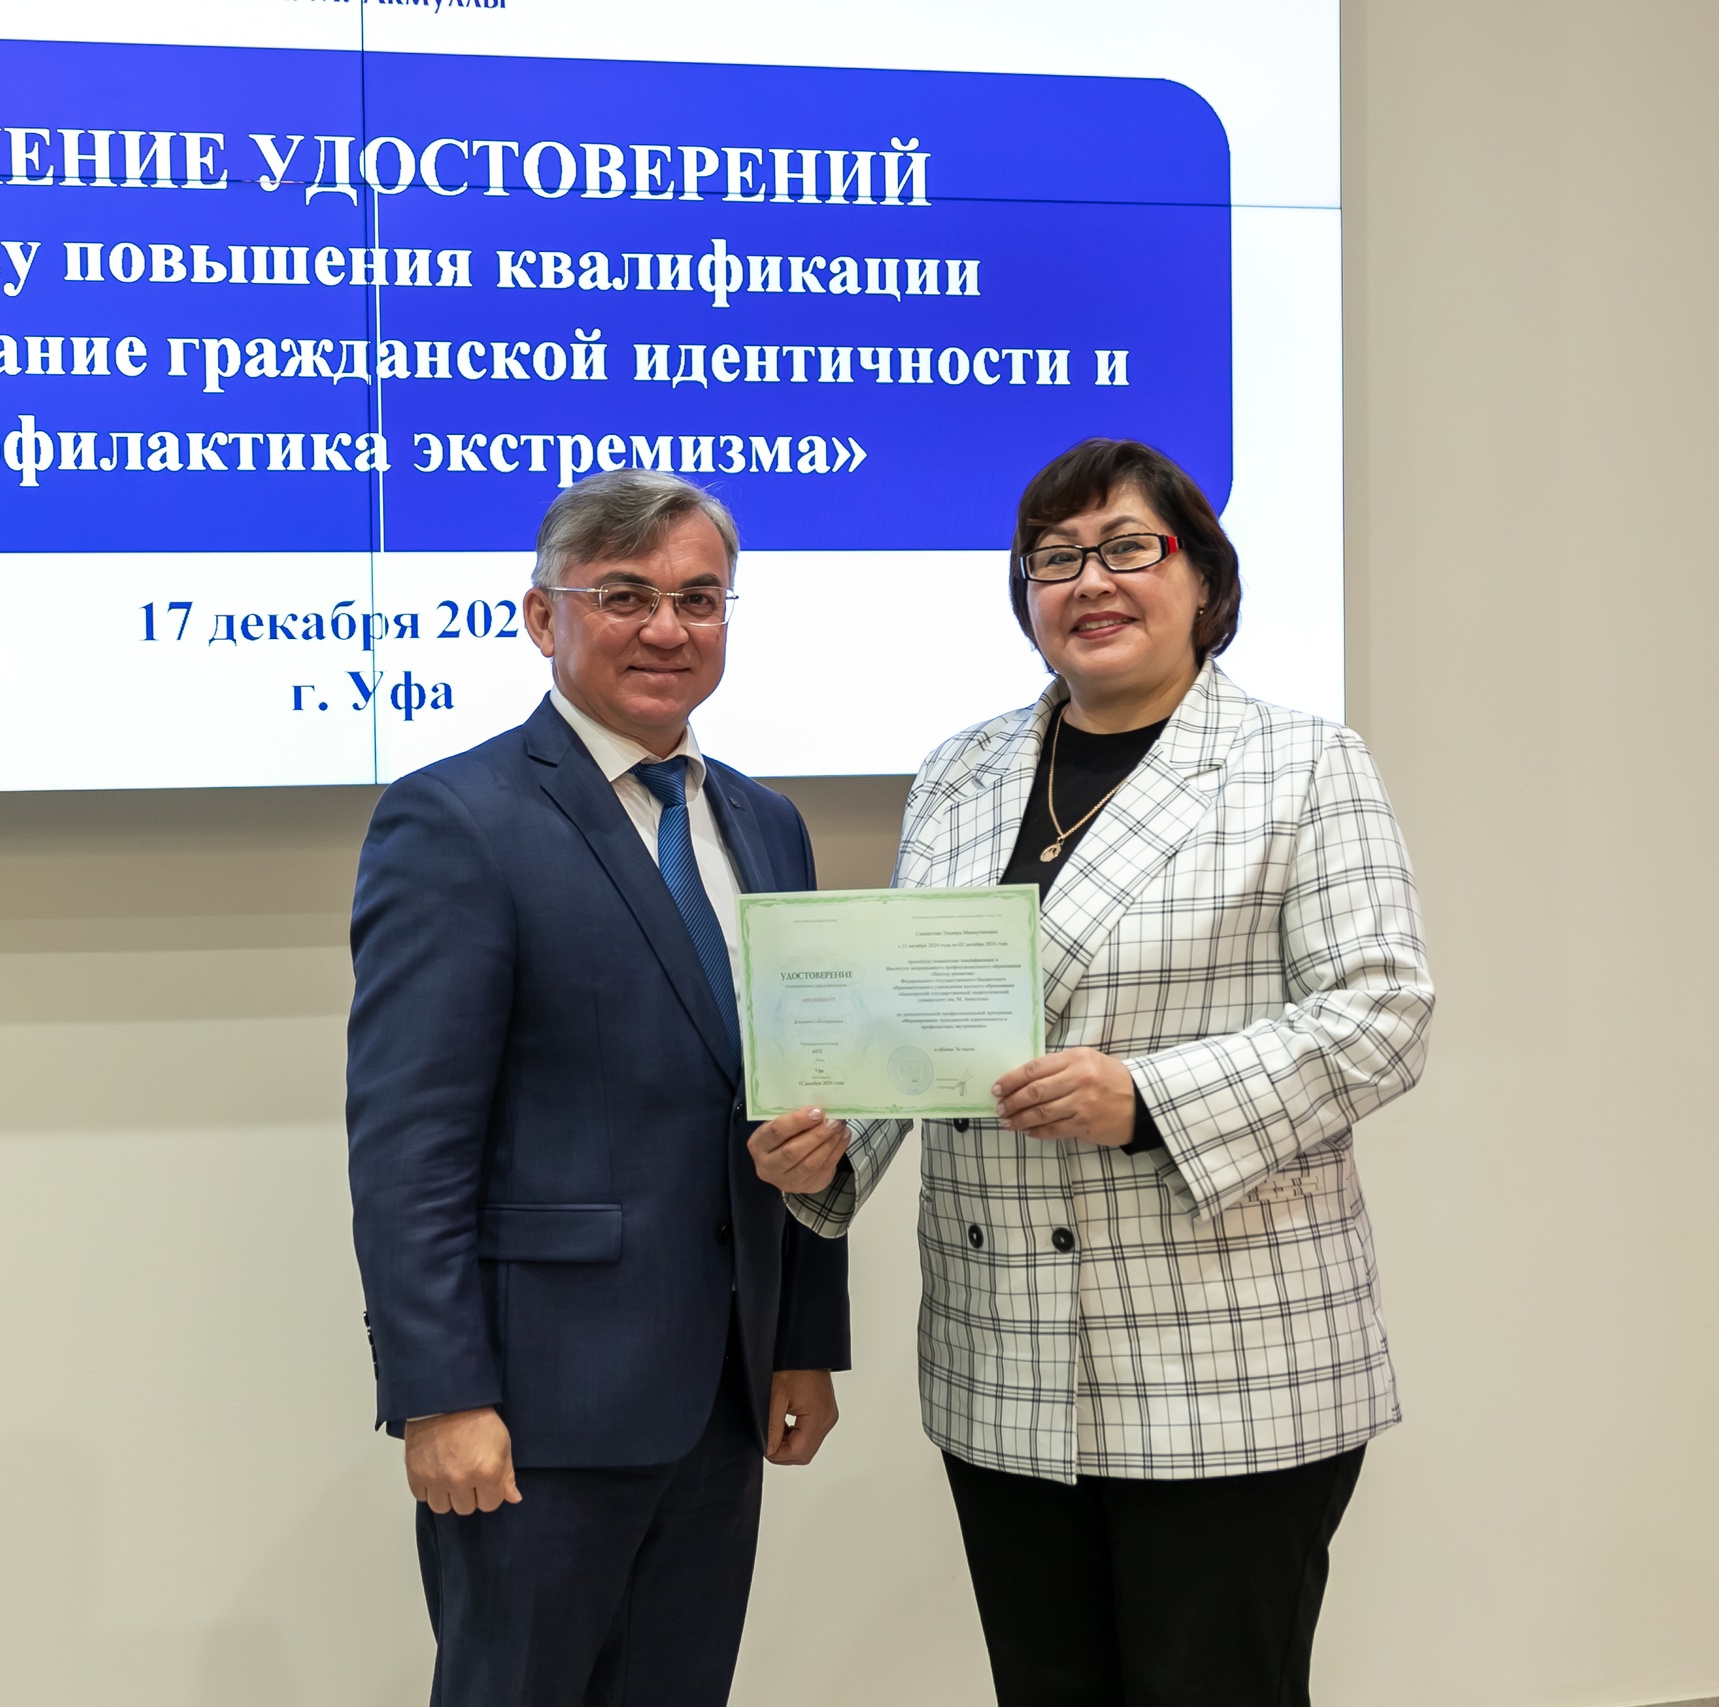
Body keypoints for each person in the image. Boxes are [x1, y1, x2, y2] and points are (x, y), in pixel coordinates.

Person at [752, 439, 1432, 1707]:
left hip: (1226, 1357)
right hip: (1000, 1348)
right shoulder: (961, 770)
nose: (1090, 582)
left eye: (1128, 548)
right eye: (1054, 559)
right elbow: (919, 1021)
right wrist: (832, 1148)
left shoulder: (1302, 762)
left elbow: (1381, 1014)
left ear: (1203, 580)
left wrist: (1149, 1100)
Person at [348, 468, 852, 1707]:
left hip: (723, 1396)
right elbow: (409, 1145)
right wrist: (441, 1396)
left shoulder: (767, 824)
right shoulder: (453, 819)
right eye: (624, 596)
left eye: (699, 599)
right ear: (542, 617)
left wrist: (802, 1343)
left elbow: (801, 1096)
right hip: (536, 1412)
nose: (666, 629)